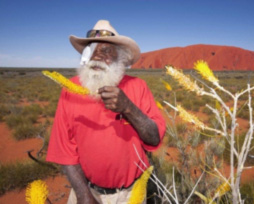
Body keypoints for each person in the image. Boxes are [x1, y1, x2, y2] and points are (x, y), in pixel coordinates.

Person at [46, 20, 166, 204]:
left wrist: (128, 107)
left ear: (121, 57)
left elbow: (154, 137)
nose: (97, 56)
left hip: (131, 195)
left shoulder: (138, 87)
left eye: (106, 50)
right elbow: (64, 148)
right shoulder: (69, 89)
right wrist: (83, 195)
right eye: (92, 49)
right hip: (86, 191)